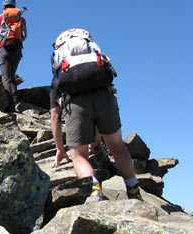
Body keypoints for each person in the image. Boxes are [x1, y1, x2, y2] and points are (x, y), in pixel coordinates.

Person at [49, 28, 141, 202]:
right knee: (118, 148)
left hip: (75, 103)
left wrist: (60, 149)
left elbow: (55, 116)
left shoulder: (60, 69)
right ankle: (133, 188)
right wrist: (97, 137)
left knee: (79, 155)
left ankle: (94, 190)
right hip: (105, 96)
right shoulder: (94, 57)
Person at [0, 0, 27, 112]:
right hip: (17, 50)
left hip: (4, 49)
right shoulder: (21, 18)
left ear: (4, 6)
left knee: (6, 78)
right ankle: (16, 103)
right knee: (11, 76)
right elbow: (24, 34)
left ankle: (11, 104)